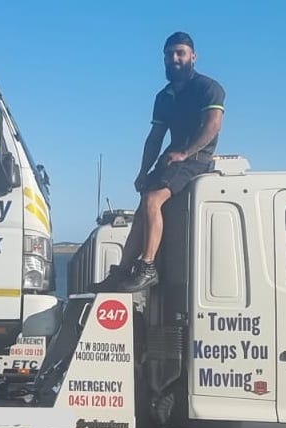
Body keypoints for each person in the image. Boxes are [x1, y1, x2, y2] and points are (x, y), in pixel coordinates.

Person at [102, 31, 225, 292]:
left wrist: (186, 153)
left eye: (180, 53)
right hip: (171, 158)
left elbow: (213, 126)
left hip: (196, 157)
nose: (174, 58)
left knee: (152, 200)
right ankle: (123, 271)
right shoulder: (164, 96)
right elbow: (155, 137)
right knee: (141, 211)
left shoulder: (208, 88)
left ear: (193, 56)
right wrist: (142, 172)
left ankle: (148, 267)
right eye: (169, 54)